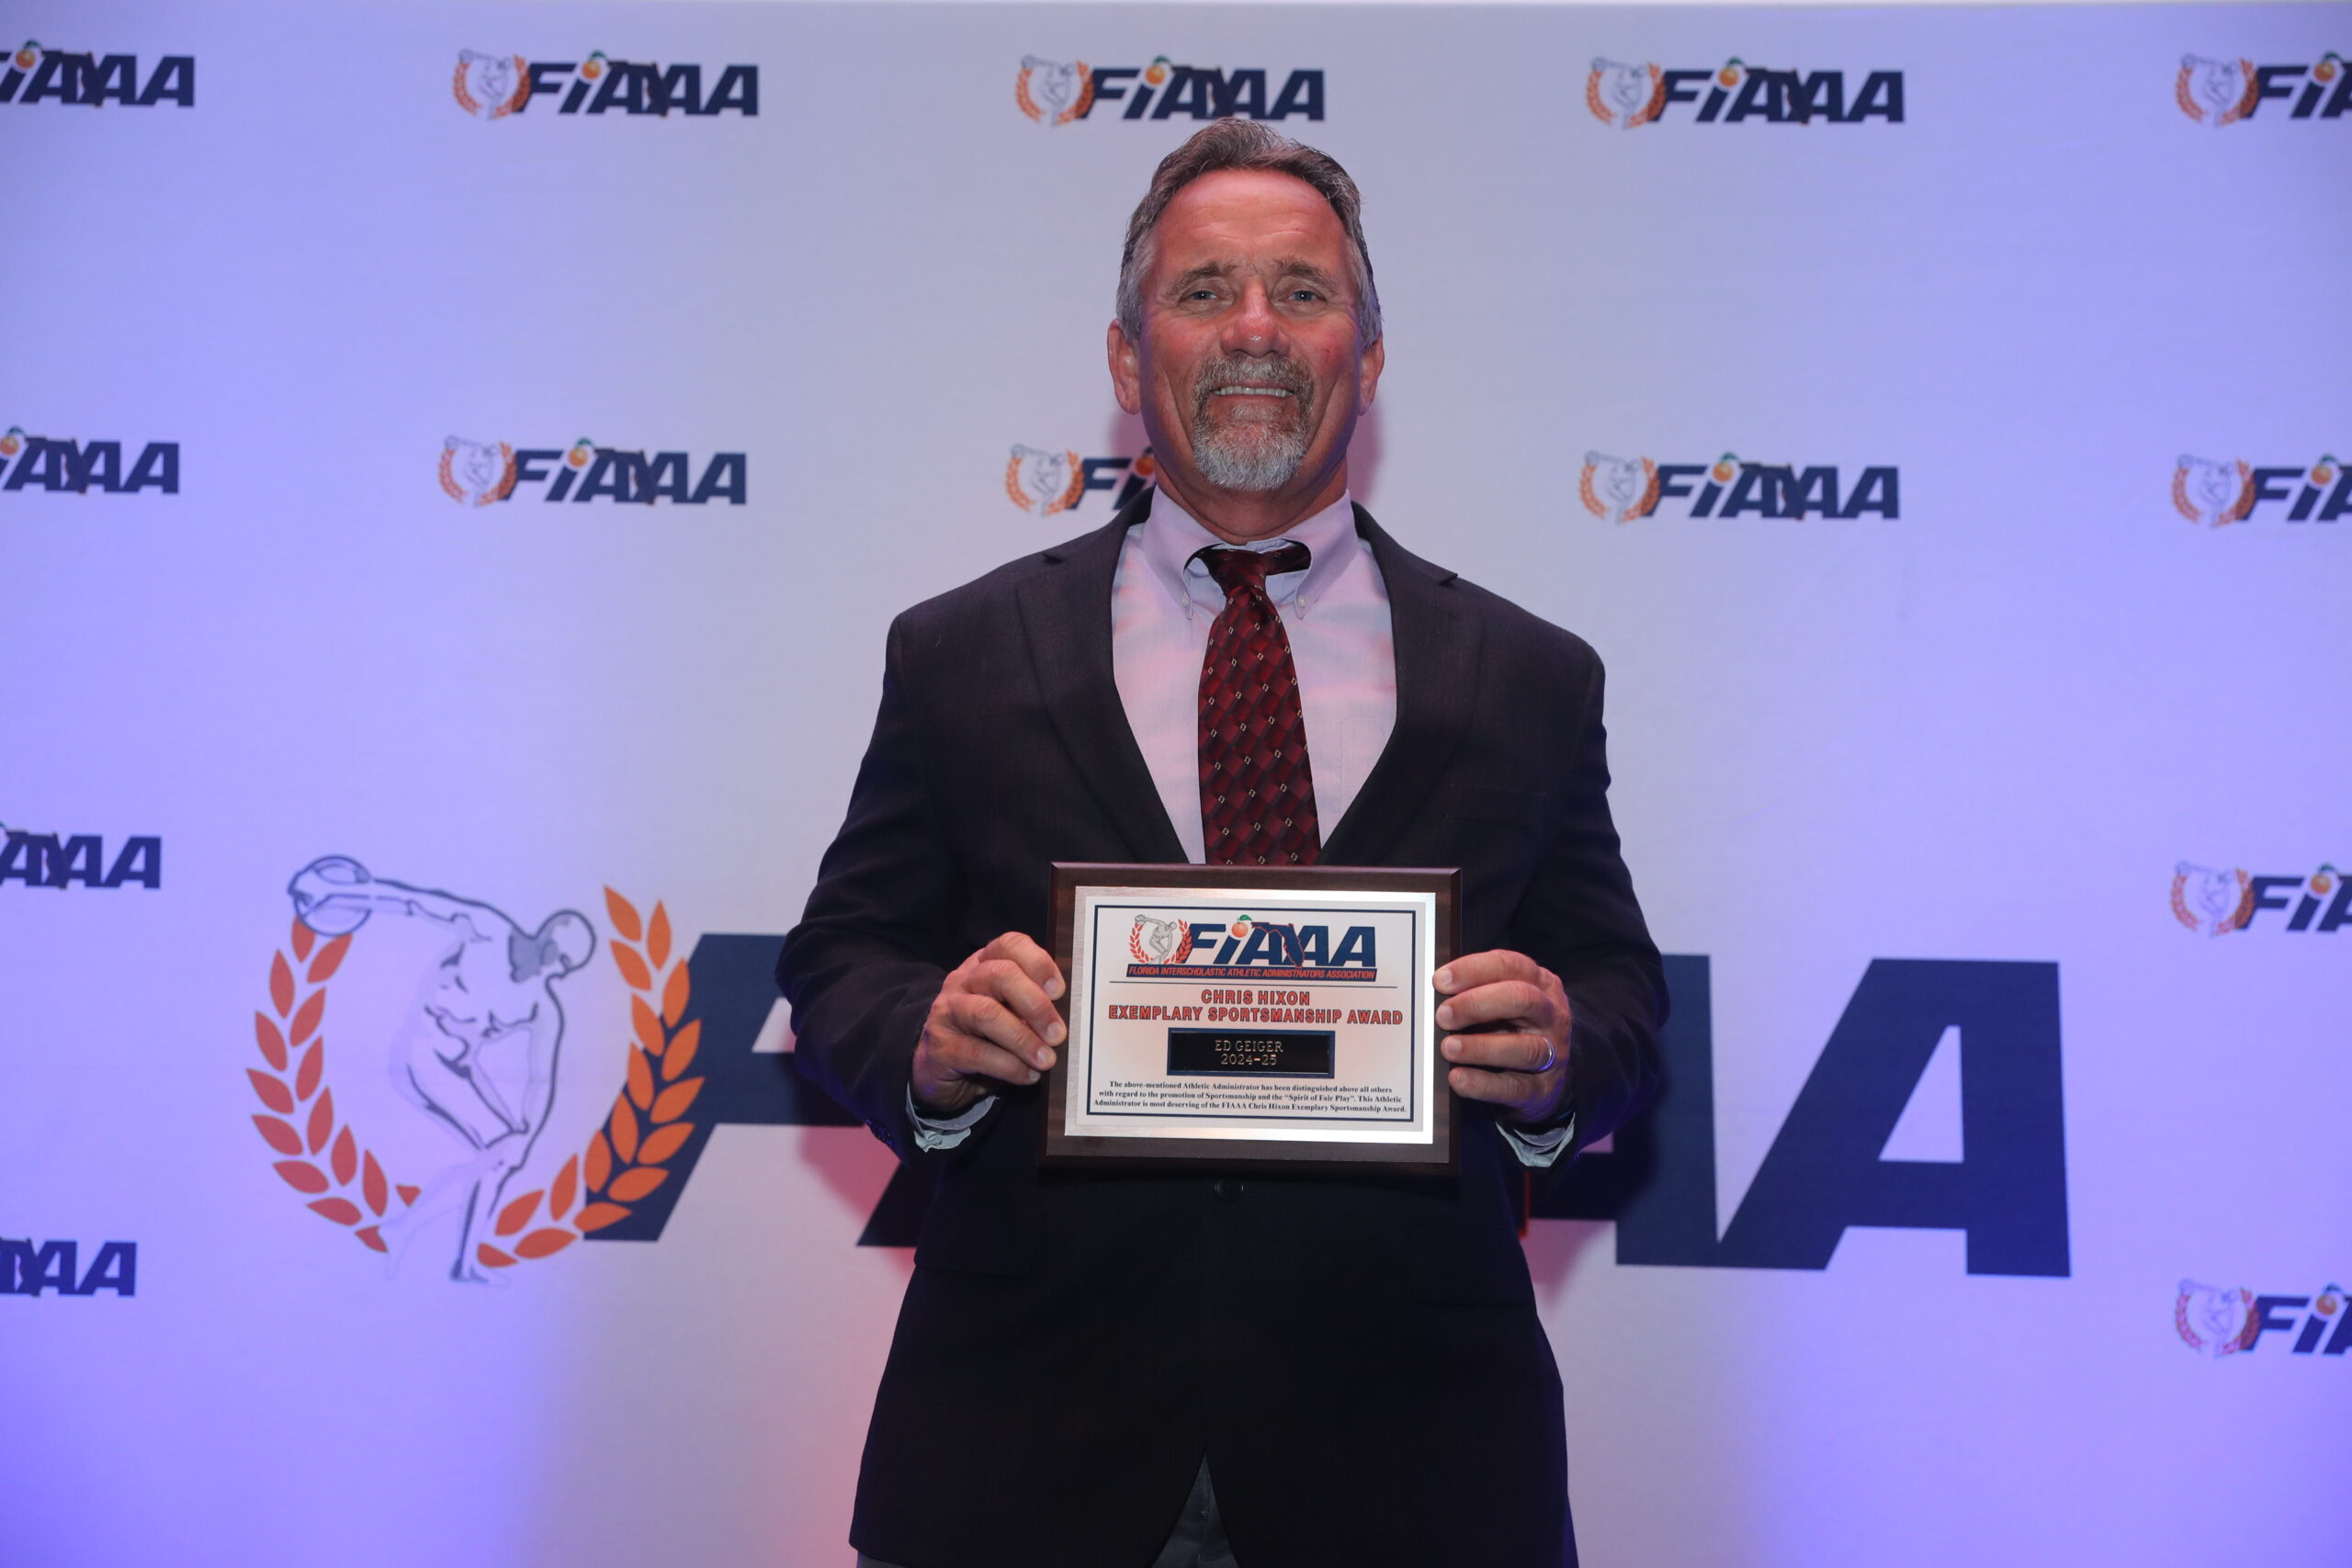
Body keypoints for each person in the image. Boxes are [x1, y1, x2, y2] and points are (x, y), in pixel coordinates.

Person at [778, 119, 1663, 1568]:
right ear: (1128, 360)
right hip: (1024, 1446)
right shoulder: (960, 650)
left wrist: (1566, 1049)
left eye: (1303, 291)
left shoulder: (1528, 674)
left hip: (1417, 1455)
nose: (1256, 326)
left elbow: (1623, 992)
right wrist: (922, 1041)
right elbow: (841, 956)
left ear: (1368, 356)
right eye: (1204, 291)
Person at [288, 854, 594, 1283]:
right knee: (499, 1153)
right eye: (554, 955)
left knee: (505, 1157)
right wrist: (337, 891)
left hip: (460, 1069)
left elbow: (541, 1081)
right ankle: (420, 1240)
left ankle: (452, 1257)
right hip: (421, 1057)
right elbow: (412, 901)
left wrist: (528, 1136)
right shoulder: (488, 930)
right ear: (544, 939)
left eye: (563, 966)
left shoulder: (541, 1006)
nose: (553, 968)